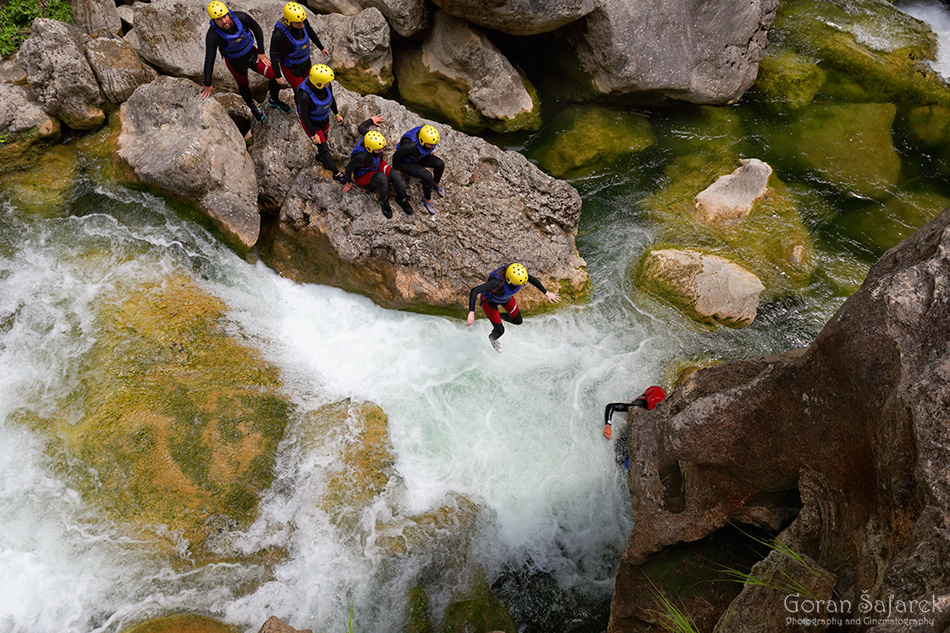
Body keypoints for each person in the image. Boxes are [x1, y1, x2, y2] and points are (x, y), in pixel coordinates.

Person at [201, 1, 280, 122]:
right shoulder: (213, 35)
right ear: (213, 21)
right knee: (244, 85)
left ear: (228, 14)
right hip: (235, 64)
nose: (224, 21)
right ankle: (253, 108)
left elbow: (257, 29)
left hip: (253, 56)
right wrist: (207, 83)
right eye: (219, 19)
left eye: (224, 16)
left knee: (274, 75)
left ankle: (273, 100)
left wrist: (262, 52)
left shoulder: (241, 18)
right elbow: (209, 59)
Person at [465, 263, 560, 353]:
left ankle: (494, 317)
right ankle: (492, 339)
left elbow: (532, 280)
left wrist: (546, 293)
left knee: (518, 320)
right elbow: (475, 290)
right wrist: (471, 312)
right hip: (490, 302)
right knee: (500, 330)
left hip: (505, 299)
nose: (520, 285)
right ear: (509, 279)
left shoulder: (518, 274)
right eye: (517, 283)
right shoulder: (496, 282)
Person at [342, 117, 414, 219]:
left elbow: (361, 127)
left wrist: (371, 120)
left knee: (395, 175)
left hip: (375, 165)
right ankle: (384, 202)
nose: (382, 150)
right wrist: (348, 182)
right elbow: (349, 167)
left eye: (382, 148)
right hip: (363, 175)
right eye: (378, 149)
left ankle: (402, 199)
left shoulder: (369, 138)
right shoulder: (361, 157)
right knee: (382, 178)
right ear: (370, 148)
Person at [295, 63, 346, 184]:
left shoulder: (326, 85)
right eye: (327, 82)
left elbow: (331, 98)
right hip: (313, 123)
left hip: (324, 119)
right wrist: (313, 135)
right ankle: (336, 173)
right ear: (318, 83)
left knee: (325, 138)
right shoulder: (304, 95)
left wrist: (337, 114)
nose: (329, 84)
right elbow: (305, 117)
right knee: (324, 148)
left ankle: (321, 158)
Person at [270, 2, 330, 96]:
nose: (301, 24)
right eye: (298, 23)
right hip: (291, 68)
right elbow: (273, 54)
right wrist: (277, 75)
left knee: (310, 87)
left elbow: (310, 32)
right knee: (300, 92)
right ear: (289, 21)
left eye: (302, 21)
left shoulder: (302, 21)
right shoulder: (279, 34)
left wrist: (321, 48)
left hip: (306, 62)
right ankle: (300, 110)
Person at [392, 124, 446, 216]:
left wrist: (430, 153)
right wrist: (396, 169)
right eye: (430, 144)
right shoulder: (410, 146)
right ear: (421, 140)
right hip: (405, 162)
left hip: (418, 157)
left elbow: (428, 148)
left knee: (440, 164)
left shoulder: (427, 138)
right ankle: (427, 199)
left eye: (434, 144)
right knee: (427, 176)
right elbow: (396, 156)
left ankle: (436, 183)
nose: (433, 146)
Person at [602, 386, 667, 440]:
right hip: (635, 414)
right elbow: (610, 406)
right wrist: (608, 425)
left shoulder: (661, 409)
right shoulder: (637, 407)